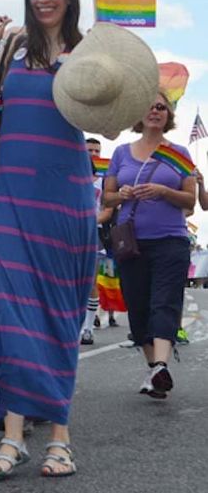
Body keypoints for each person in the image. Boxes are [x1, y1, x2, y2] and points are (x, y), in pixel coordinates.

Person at [0, 0, 93, 479]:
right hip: (10, 200)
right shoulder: (13, 49)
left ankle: (59, 437)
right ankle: (14, 437)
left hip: (66, 202)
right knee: (11, 315)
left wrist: (87, 80)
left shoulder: (88, 51)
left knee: (58, 316)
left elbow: (110, 118)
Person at [104, 92, 195, 399]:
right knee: (139, 307)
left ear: (168, 116)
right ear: (138, 114)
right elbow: (107, 197)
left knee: (164, 302)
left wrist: (161, 191)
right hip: (132, 243)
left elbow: (190, 200)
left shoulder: (179, 154)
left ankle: (160, 364)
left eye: (162, 107)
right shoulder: (120, 153)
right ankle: (155, 370)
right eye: (149, 106)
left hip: (171, 241)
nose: (155, 111)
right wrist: (123, 194)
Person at [81, 137, 116, 342]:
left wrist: (87, 221)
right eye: (89, 150)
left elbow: (108, 211)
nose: (93, 154)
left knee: (90, 281)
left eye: (96, 151)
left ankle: (88, 329)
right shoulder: (70, 176)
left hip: (93, 235)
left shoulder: (104, 180)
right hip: (69, 235)